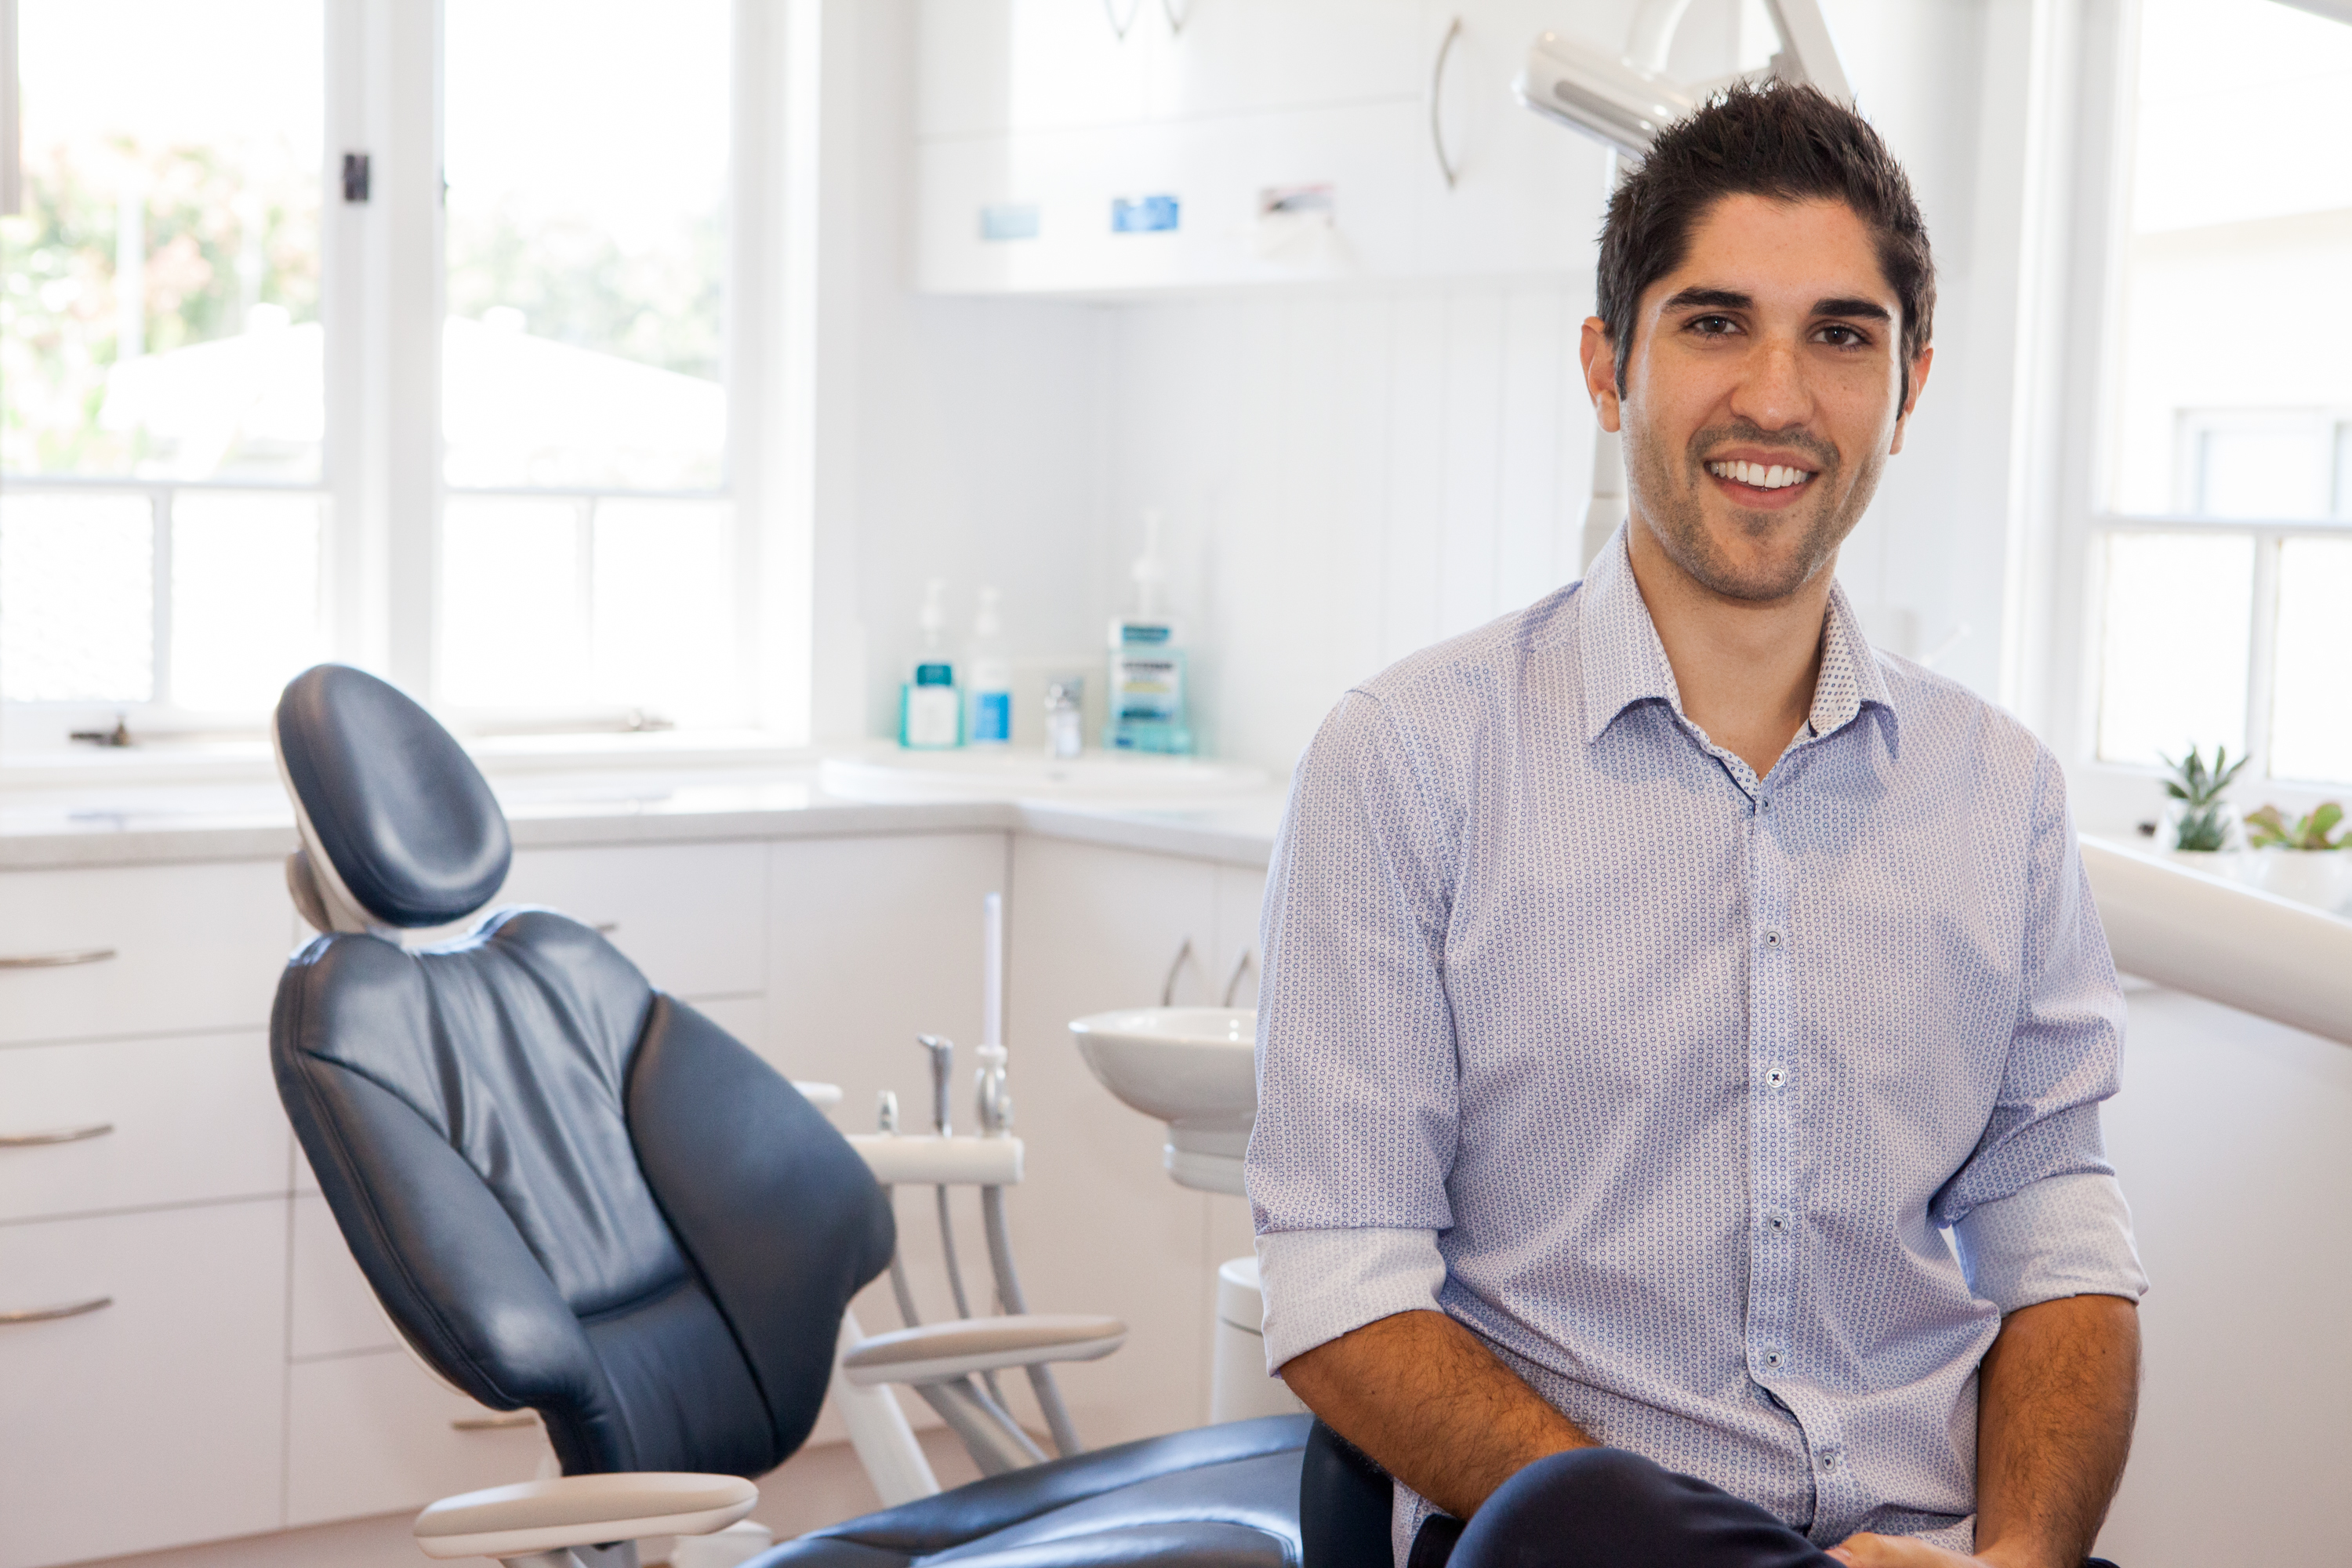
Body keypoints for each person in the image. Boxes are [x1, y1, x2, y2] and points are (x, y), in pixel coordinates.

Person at [1247, 82, 2146, 1568]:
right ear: (1610, 368)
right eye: (1717, 323)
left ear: (1910, 390)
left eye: (1843, 337)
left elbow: (2059, 1232)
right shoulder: (1406, 762)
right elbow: (1341, 1282)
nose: (1779, 399)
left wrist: (2022, 1565)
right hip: (1571, 1544)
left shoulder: (2005, 797)